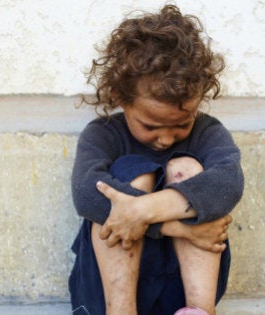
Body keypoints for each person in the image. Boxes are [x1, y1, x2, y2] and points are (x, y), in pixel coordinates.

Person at [68, 4, 244, 315]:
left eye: (181, 124)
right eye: (151, 126)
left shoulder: (208, 132)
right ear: (122, 99)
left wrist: (143, 210)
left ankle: (199, 311)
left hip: (178, 286)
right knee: (129, 174)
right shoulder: (103, 134)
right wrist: (178, 227)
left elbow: (228, 183)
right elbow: (86, 194)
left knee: (186, 169)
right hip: (108, 291)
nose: (165, 138)